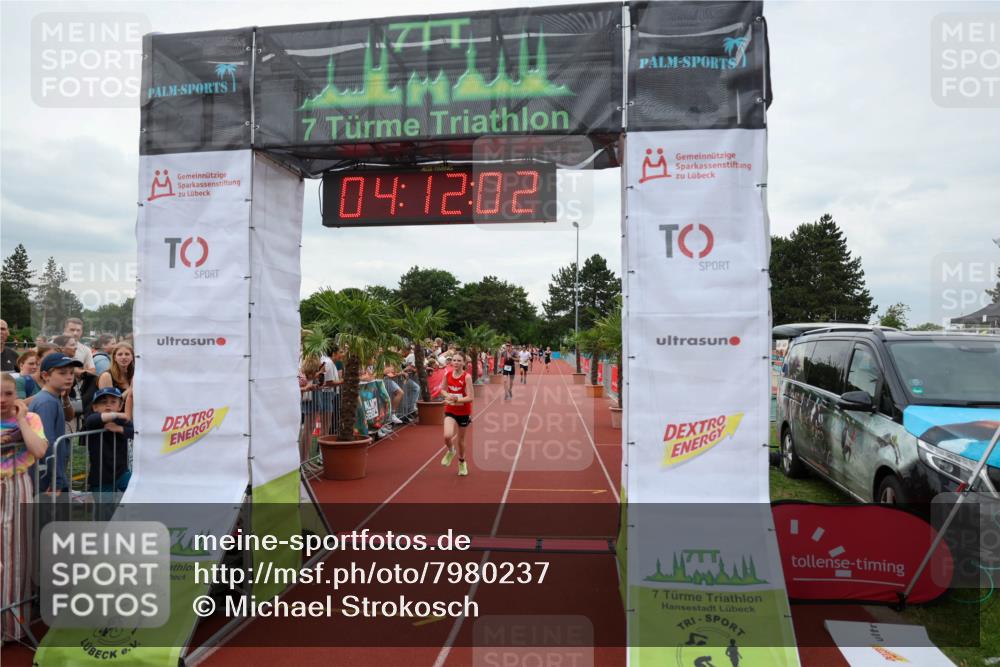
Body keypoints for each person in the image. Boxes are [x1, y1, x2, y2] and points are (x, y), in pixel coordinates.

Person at [0, 372, 49, 641]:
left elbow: (39, 450)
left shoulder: (30, 419)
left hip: (17, 486)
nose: (3, 399)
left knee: (15, 556)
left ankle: (10, 628)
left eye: (8, 393)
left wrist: (20, 420)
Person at [31, 353, 82, 493]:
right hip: (46, 477)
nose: (69, 377)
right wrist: (56, 479)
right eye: (62, 373)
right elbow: (47, 443)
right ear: (45, 375)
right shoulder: (46, 402)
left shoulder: (53, 398)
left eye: (71, 373)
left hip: (50, 473)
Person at [83, 387, 133, 493]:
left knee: (136, 498)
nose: (108, 405)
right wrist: (118, 414)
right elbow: (90, 421)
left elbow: (135, 432)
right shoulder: (94, 419)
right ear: (95, 407)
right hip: (101, 477)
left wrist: (120, 429)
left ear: (120, 406)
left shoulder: (122, 421)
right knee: (105, 509)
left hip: (122, 472)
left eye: (113, 402)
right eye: (103, 402)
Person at [439, 353, 473, 476]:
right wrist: (448, 395)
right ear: (451, 362)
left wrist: (456, 399)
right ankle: (451, 451)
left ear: (463, 363)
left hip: (463, 412)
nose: (456, 363)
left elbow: (470, 397)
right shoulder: (447, 374)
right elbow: (442, 390)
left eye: (459, 360)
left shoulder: (467, 377)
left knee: (460, 441)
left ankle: (462, 462)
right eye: (454, 360)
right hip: (450, 410)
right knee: (447, 436)